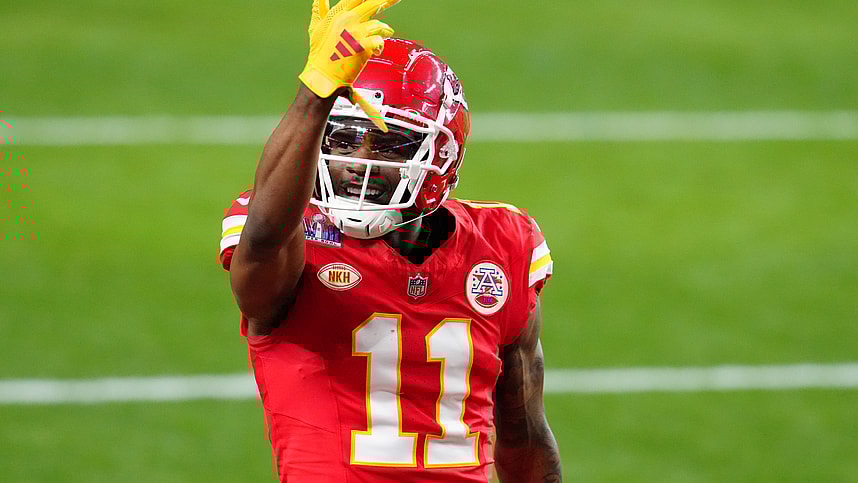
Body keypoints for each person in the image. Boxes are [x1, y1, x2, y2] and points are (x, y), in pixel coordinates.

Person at [218, 0, 562, 480]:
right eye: (341, 142)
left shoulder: (503, 246)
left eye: (386, 144)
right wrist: (314, 96)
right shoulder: (294, 240)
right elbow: (264, 239)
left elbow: (525, 433)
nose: (358, 161)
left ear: (441, 152)